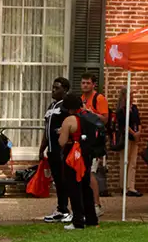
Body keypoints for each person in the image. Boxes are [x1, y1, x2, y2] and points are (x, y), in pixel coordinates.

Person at [57, 92, 97, 230]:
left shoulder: (69, 120)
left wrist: (61, 133)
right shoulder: (89, 116)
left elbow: (62, 142)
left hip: (73, 156)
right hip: (87, 153)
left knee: (74, 187)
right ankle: (91, 218)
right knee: (86, 186)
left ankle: (78, 220)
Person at [41, 77, 72, 223]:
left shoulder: (66, 106)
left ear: (65, 90)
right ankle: (61, 208)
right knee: (58, 181)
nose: (53, 90)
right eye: (53, 87)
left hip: (62, 150)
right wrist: (42, 149)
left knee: (64, 180)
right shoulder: (52, 105)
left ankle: (65, 210)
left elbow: (71, 127)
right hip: (52, 150)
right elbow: (46, 129)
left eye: (57, 88)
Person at [80, 73, 108, 214]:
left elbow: (105, 119)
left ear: (93, 84)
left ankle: (97, 205)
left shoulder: (99, 98)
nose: (85, 85)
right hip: (84, 139)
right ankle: (87, 203)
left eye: (88, 83)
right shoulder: (82, 99)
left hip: (95, 142)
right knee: (84, 172)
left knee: (91, 173)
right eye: (83, 83)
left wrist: (90, 113)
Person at [112, 86, 142, 198]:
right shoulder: (121, 110)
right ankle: (124, 187)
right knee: (124, 162)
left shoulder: (134, 108)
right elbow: (123, 125)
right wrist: (133, 133)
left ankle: (131, 186)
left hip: (135, 137)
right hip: (126, 138)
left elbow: (138, 121)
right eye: (130, 94)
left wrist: (138, 132)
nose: (132, 97)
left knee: (133, 163)